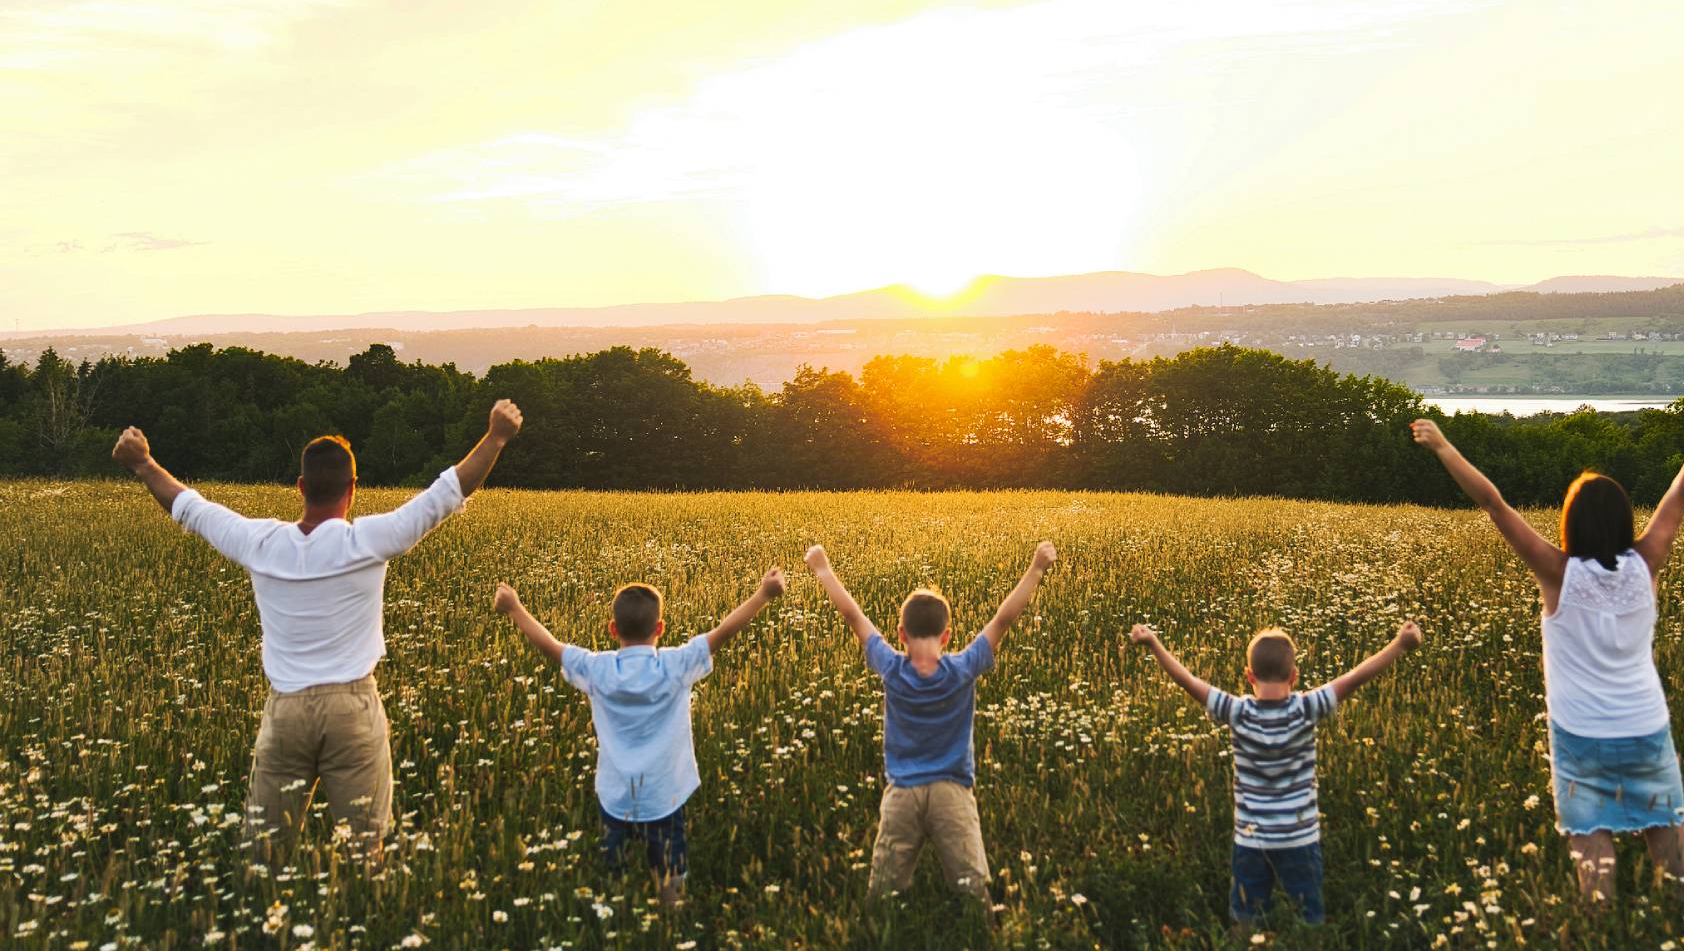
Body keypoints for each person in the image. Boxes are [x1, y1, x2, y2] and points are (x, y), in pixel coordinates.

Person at [110, 398, 524, 855]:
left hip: (286, 713)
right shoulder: (366, 540)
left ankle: (265, 920)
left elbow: (190, 507)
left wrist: (144, 462)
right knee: (365, 850)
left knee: (267, 850)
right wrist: (496, 437)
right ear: (353, 487)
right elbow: (447, 493)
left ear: (301, 486)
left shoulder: (260, 543)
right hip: (353, 707)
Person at [1410, 396, 1684, 904]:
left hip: (1580, 734)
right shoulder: (1646, 562)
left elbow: (1494, 503)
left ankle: (1601, 926)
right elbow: (1683, 487)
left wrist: (1442, 445)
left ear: (1571, 523)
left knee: (1593, 855)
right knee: (1671, 844)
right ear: (1622, 520)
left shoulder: (1558, 574)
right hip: (1644, 727)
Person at [492, 569, 784, 907]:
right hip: (664, 798)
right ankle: (668, 916)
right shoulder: (675, 666)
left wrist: (515, 608)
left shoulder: (597, 669)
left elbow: (551, 647)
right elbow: (723, 632)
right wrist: (763, 594)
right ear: (660, 629)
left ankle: (616, 910)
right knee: (670, 869)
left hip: (615, 798)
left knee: (613, 870)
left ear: (612, 629)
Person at [805, 541, 1057, 910]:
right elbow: (1004, 619)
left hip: (902, 795)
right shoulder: (963, 668)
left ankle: (875, 934)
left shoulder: (891, 667)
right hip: (951, 793)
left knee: (883, 895)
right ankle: (983, 930)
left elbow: (853, 616)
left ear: (901, 635)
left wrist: (823, 569)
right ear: (947, 636)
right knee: (973, 892)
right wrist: (1036, 568)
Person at [1130, 621, 1422, 929]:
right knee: (1309, 915)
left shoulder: (1237, 711)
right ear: (1294, 677)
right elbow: (1357, 676)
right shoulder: (1306, 708)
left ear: (1249, 676)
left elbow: (1186, 680)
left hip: (1251, 840)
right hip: (1300, 839)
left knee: (1247, 916)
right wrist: (1400, 644)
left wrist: (1153, 644)